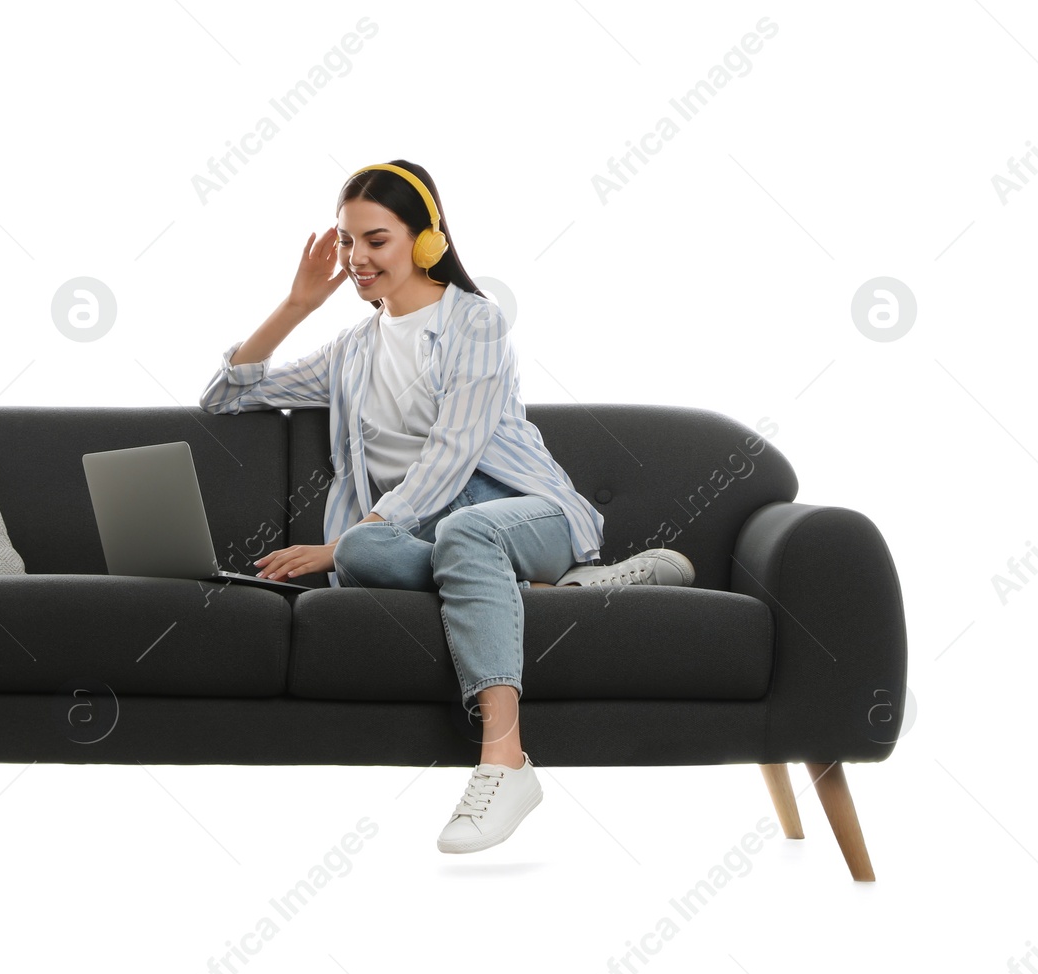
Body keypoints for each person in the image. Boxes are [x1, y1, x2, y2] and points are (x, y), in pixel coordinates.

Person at [198, 160, 694, 854]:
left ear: (425, 240)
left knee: (411, 535)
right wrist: (297, 305)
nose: (356, 258)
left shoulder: (477, 324)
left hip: (523, 513)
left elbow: (451, 455)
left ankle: (504, 759)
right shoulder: (351, 350)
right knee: (367, 551)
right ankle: (558, 594)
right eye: (346, 242)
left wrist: (342, 541)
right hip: (428, 530)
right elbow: (227, 396)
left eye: (376, 239)